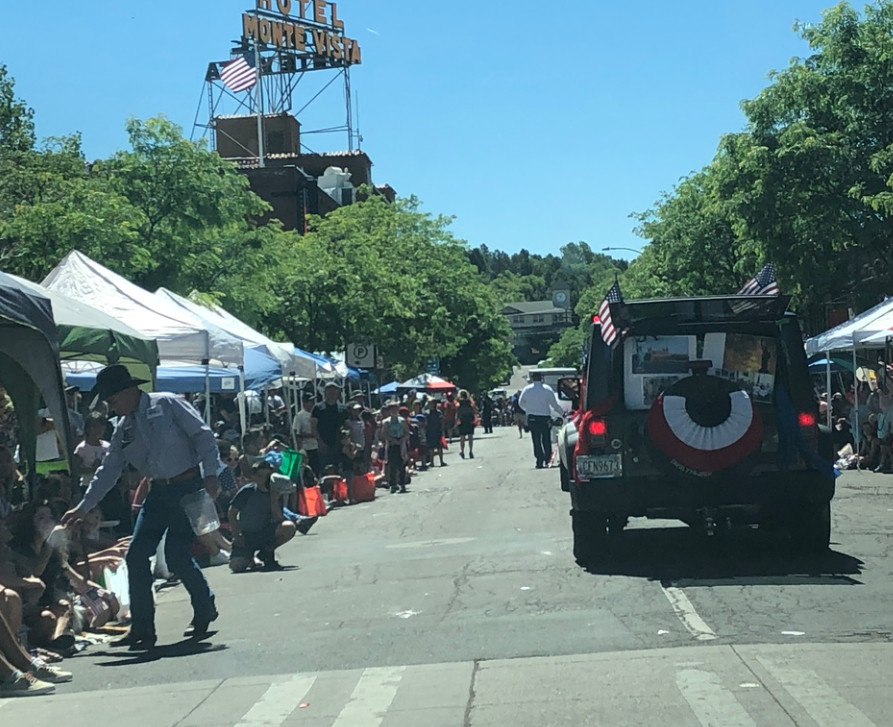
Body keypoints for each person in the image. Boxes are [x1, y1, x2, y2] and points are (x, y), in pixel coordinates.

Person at [61, 365, 222, 650]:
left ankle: (204, 604)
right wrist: (84, 507)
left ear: (127, 392)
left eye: (112, 400)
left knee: (176, 554)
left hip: (188, 486)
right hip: (158, 492)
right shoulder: (124, 429)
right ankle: (143, 628)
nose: (110, 406)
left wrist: (211, 474)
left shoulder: (168, 403)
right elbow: (108, 471)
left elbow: (203, 435)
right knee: (136, 556)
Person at [228, 454, 297, 572]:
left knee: (289, 527)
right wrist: (236, 535)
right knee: (237, 566)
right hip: (246, 535)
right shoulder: (248, 491)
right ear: (254, 477)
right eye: (260, 476)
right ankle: (249, 557)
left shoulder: (276, 492)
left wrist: (274, 500)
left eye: (267, 476)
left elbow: (279, 519)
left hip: (265, 533)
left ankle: (266, 551)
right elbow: (232, 512)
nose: (264, 479)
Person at [518, 372, 565, 469]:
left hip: (532, 417)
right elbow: (554, 404)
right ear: (541, 378)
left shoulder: (527, 389)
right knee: (546, 439)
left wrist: (528, 410)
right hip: (545, 417)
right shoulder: (547, 389)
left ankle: (539, 460)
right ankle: (548, 459)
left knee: (536, 439)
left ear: (532, 378)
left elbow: (521, 403)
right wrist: (562, 413)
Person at [312, 384, 350, 472]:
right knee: (326, 469)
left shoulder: (343, 408)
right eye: (329, 390)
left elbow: (348, 426)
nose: (332, 393)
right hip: (324, 445)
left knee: (339, 469)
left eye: (334, 390)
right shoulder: (318, 408)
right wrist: (320, 441)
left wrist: (347, 439)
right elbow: (313, 427)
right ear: (324, 393)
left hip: (339, 445)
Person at [381, 401, 410, 494]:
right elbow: (383, 433)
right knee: (392, 465)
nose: (394, 411)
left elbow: (407, 432)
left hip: (400, 444)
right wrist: (391, 439)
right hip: (391, 444)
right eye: (391, 409)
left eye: (395, 409)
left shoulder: (402, 421)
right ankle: (393, 484)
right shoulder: (386, 422)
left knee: (402, 465)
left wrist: (402, 439)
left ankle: (402, 483)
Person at [456, 390, 477, 459]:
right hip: (470, 420)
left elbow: (457, 413)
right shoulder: (470, 403)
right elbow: (474, 411)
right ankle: (471, 451)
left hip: (462, 420)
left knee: (462, 437)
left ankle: (462, 451)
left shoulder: (459, 403)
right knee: (470, 436)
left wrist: (456, 421)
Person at [426, 399, 446, 467]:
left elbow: (442, 421)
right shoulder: (427, 413)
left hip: (437, 431)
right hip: (429, 431)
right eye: (429, 404)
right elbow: (425, 423)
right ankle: (432, 462)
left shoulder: (438, 412)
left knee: (439, 447)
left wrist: (443, 431)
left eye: (431, 404)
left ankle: (441, 461)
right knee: (431, 448)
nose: (429, 405)